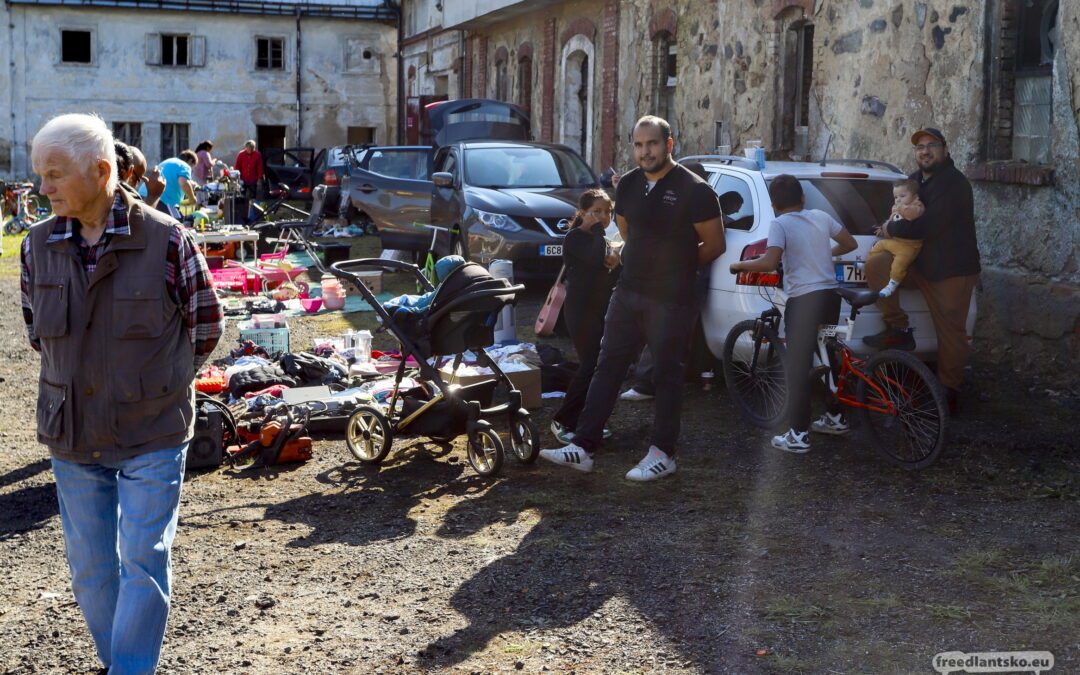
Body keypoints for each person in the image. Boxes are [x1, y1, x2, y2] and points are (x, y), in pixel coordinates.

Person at [19, 113, 223, 674]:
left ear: (102, 171)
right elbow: (38, 334)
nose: (42, 187)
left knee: (142, 558)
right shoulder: (36, 245)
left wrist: (157, 382)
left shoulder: (167, 239)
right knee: (90, 569)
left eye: (55, 174)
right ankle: (122, 663)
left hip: (152, 429)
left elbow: (206, 324)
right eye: (40, 174)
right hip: (72, 430)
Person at [539, 115, 725, 481]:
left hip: (671, 298)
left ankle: (662, 454)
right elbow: (627, 233)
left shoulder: (695, 189)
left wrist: (675, 270)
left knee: (667, 375)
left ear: (669, 145)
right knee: (607, 365)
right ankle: (584, 446)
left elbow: (715, 244)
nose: (645, 152)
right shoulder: (627, 185)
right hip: (628, 292)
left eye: (652, 143)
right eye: (638, 145)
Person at [730, 174, 858, 452]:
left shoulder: (780, 223)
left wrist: (740, 265)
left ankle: (798, 434)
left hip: (804, 301)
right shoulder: (821, 216)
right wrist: (822, 254)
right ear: (803, 198)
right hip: (830, 298)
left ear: (774, 205)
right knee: (826, 354)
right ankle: (836, 417)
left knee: (798, 367)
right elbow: (850, 244)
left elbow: (770, 262)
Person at [863, 127, 981, 411]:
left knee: (950, 333)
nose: (925, 151)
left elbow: (927, 225)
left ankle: (947, 394)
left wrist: (891, 229)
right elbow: (899, 212)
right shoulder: (914, 181)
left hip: (951, 269)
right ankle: (898, 328)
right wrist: (889, 224)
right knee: (877, 264)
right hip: (918, 263)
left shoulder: (954, 184)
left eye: (932, 145)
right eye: (919, 147)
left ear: (945, 149)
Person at [619, 188, 745, 403]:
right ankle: (659, 382)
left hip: (681, 282)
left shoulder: (695, 213)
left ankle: (649, 384)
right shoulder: (713, 217)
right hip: (694, 283)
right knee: (672, 333)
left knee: (662, 331)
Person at [549, 189, 621, 444]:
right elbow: (592, 259)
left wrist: (617, 261)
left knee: (600, 366)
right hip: (580, 311)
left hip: (601, 310)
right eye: (596, 211)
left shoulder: (603, 241)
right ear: (582, 213)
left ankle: (589, 420)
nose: (603, 217)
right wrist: (600, 232)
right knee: (589, 364)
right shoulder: (575, 238)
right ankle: (562, 420)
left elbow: (607, 275)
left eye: (608, 212)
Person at [868, 178, 925, 299]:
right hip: (896, 242)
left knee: (899, 264)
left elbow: (912, 215)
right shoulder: (897, 208)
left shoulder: (917, 206)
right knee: (879, 245)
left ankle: (893, 283)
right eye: (896, 197)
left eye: (902, 196)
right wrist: (883, 229)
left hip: (909, 246)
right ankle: (868, 265)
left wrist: (901, 208)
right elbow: (891, 221)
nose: (898, 200)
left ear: (914, 196)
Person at [158, 149, 198, 219]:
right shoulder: (185, 165)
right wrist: (192, 198)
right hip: (164, 200)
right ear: (190, 160)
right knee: (176, 222)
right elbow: (183, 183)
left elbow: (173, 178)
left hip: (148, 195)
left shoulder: (170, 161)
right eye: (192, 166)